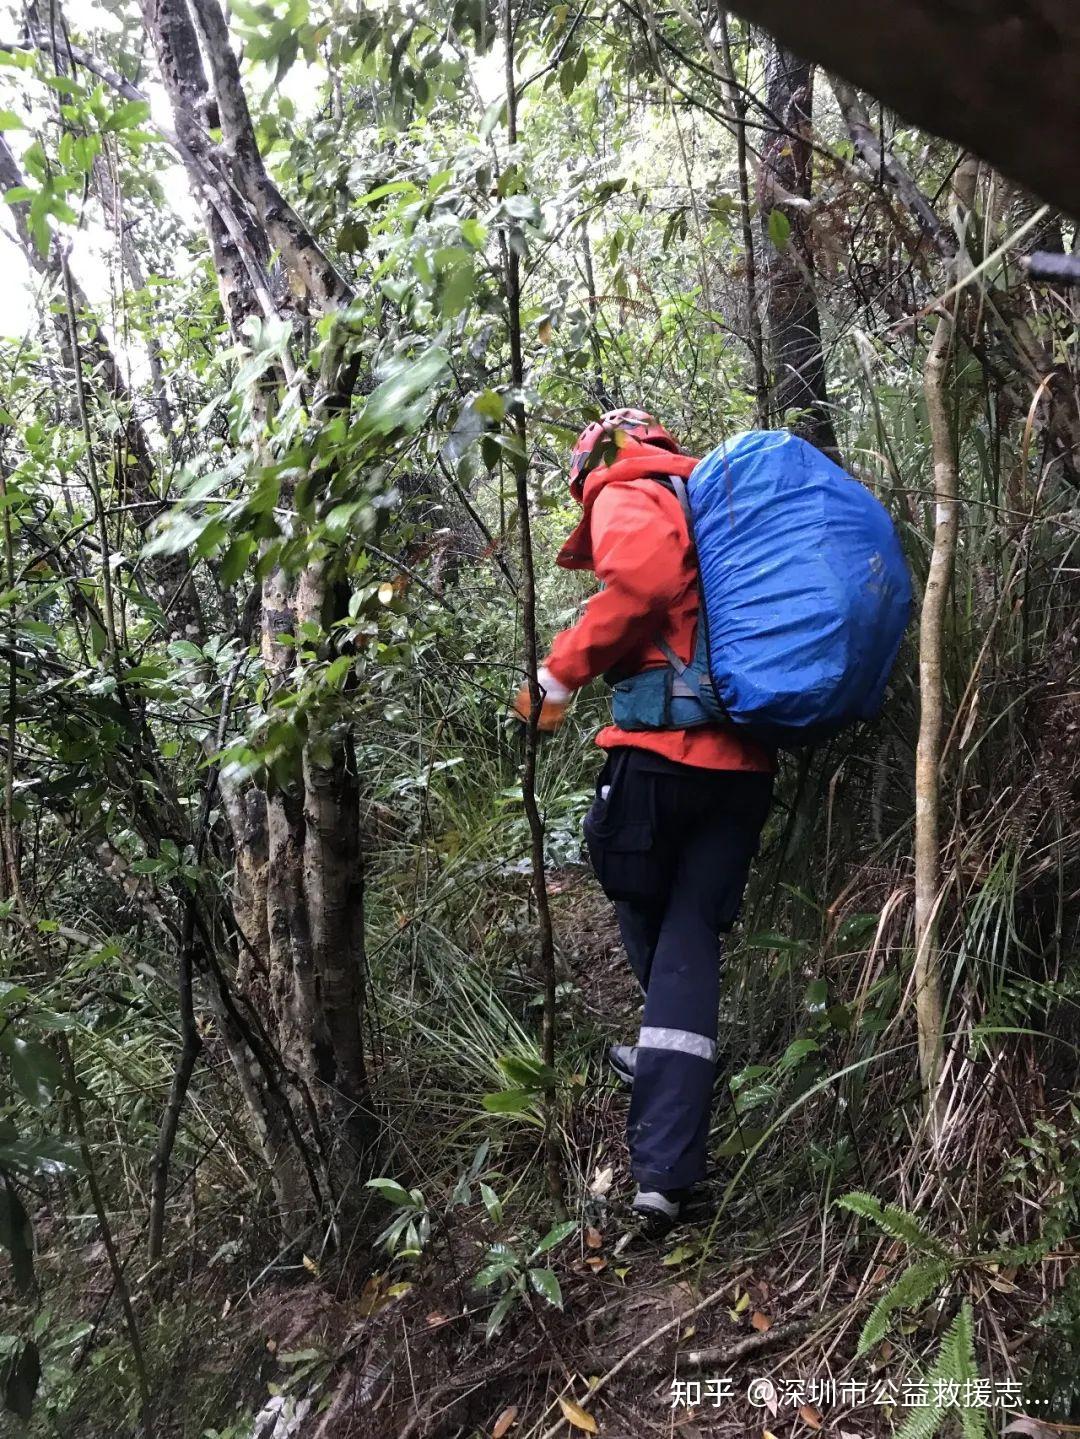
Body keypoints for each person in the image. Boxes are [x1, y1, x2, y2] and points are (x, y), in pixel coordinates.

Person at [513, 409, 775, 1232]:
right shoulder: (710, 500)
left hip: (663, 756)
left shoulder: (628, 490)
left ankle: (663, 1148)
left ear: (596, 455)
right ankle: (669, 1105)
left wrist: (554, 681)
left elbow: (643, 584)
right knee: (690, 935)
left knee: (631, 887)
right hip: (744, 763)